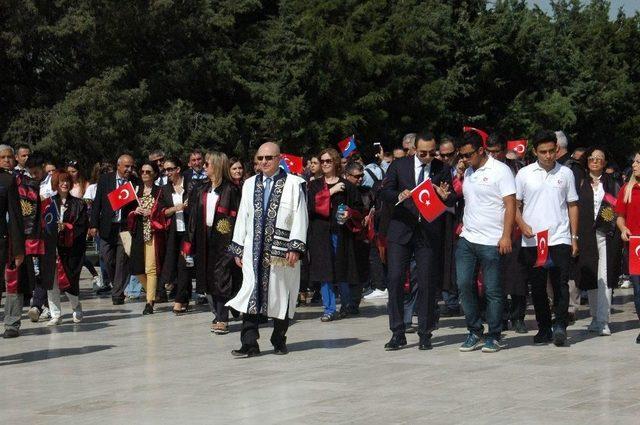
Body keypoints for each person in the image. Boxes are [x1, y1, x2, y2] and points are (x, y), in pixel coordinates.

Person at [227, 142, 308, 356]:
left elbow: (301, 216)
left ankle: (279, 338)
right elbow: (243, 217)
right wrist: (238, 247)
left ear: (279, 158)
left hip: (281, 251)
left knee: (281, 292)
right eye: (260, 158)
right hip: (253, 250)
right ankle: (249, 343)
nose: (264, 162)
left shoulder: (294, 183)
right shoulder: (249, 184)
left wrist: (295, 246)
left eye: (268, 158)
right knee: (250, 292)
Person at [379, 132, 454, 351]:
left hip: (428, 231)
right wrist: (398, 195)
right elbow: (385, 191)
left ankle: (425, 332)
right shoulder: (399, 166)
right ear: (414, 149)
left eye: (432, 153)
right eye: (423, 153)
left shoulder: (442, 168)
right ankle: (397, 331)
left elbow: (451, 197)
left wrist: (443, 195)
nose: (428, 157)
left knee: (427, 282)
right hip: (401, 229)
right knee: (394, 279)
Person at [515, 130, 579, 347]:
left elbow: (572, 205)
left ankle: (560, 325)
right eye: (543, 152)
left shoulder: (566, 173)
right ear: (535, 151)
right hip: (533, 240)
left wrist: (574, 237)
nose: (548, 155)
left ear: (557, 150)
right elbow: (515, 205)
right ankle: (543, 328)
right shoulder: (524, 174)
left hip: (559, 237)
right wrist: (522, 225)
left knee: (560, 283)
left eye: (552, 151)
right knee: (538, 286)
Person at [455, 131, 516, 352]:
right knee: (463, 285)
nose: (464, 159)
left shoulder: (501, 171)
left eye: (468, 155)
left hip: (492, 240)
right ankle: (474, 330)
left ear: (481, 150)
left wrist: (506, 235)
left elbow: (510, 205)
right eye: (461, 155)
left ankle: (494, 334)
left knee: (492, 290)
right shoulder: (469, 172)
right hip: (467, 238)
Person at [182, 152, 241, 333]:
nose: (204, 167)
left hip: (224, 240)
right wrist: (188, 243)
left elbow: (238, 217)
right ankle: (218, 313)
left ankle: (222, 317)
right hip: (203, 238)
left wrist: (238, 245)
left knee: (221, 277)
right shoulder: (201, 189)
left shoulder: (231, 189)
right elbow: (192, 218)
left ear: (216, 165)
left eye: (207, 164)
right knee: (207, 278)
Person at [307, 148, 364, 321]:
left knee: (342, 268)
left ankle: (346, 304)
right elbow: (310, 206)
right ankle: (329, 308)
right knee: (325, 270)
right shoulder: (315, 185)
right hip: (320, 233)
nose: (324, 164)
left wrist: (349, 213)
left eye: (328, 161)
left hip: (340, 232)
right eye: (322, 161)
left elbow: (359, 208)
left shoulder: (347, 186)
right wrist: (330, 192)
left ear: (336, 163)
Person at [576, 147, 621, 336]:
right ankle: (595, 317)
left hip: (607, 234)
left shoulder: (612, 183)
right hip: (586, 235)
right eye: (591, 159)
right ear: (586, 162)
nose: (595, 161)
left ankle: (604, 320)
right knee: (591, 274)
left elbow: (617, 207)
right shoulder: (580, 182)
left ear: (604, 163)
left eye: (599, 159)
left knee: (605, 274)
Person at [89, 154, 140, 305]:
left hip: (125, 228)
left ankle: (117, 294)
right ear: (118, 166)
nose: (129, 170)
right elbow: (97, 202)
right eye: (126, 166)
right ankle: (116, 283)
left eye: (131, 167)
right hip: (107, 227)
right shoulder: (105, 179)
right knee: (107, 258)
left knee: (122, 261)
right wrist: (93, 224)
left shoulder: (134, 182)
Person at [40, 171, 88, 325]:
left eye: (67, 181)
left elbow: (82, 226)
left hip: (70, 249)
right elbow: (41, 225)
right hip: (51, 248)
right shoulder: (47, 203)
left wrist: (67, 228)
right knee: (51, 282)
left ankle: (76, 306)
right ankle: (56, 314)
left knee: (69, 280)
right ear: (55, 184)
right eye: (61, 181)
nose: (65, 184)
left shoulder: (79, 204)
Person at [128, 161, 166, 315]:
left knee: (150, 268)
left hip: (153, 233)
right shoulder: (135, 190)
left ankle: (149, 302)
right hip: (138, 232)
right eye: (142, 171)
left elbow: (164, 210)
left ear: (155, 174)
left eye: (148, 172)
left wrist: (152, 213)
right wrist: (134, 211)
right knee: (137, 268)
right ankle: (153, 290)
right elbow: (125, 211)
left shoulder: (160, 191)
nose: (144, 174)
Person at [159, 158, 193, 314]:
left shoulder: (191, 185)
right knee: (175, 265)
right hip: (173, 234)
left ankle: (179, 301)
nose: (168, 173)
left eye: (170, 169)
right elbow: (162, 212)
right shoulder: (165, 189)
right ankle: (184, 297)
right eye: (165, 170)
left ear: (178, 169)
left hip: (189, 233)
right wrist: (176, 208)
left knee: (184, 264)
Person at [0, 145, 26, 338]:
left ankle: (12, 322)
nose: (7, 160)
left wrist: (18, 249)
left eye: (10, 157)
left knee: (12, 283)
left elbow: (16, 217)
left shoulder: (8, 181)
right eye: (3, 157)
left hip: (4, 242)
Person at [615, 151, 640, 343]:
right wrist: (623, 228)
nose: (634, 165)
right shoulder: (627, 189)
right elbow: (620, 215)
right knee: (638, 290)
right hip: (635, 246)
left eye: (638, 162)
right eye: (634, 162)